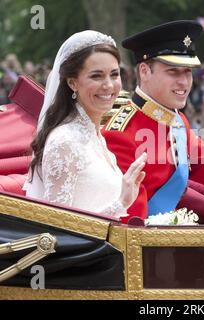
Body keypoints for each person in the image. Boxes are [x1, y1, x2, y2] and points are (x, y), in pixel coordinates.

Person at [102, 20, 204, 222]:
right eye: (173, 71)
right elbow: (131, 221)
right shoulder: (119, 133)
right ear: (145, 71)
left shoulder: (177, 121)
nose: (183, 82)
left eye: (188, 72)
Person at [24, 30, 146, 219]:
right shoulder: (65, 141)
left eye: (114, 75)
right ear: (73, 83)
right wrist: (121, 203)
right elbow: (57, 227)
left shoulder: (96, 137)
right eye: (96, 76)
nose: (108, 85)